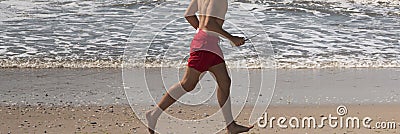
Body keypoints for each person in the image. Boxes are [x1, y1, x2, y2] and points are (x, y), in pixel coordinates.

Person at [145, 0, 254, 133]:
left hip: (209, 44)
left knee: (224, 82)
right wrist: (232, 38)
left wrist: (201, 31)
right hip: (205, 46)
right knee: (188, 84)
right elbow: (209, 23)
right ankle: (153, 114)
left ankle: (230, 125)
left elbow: (189, 15)